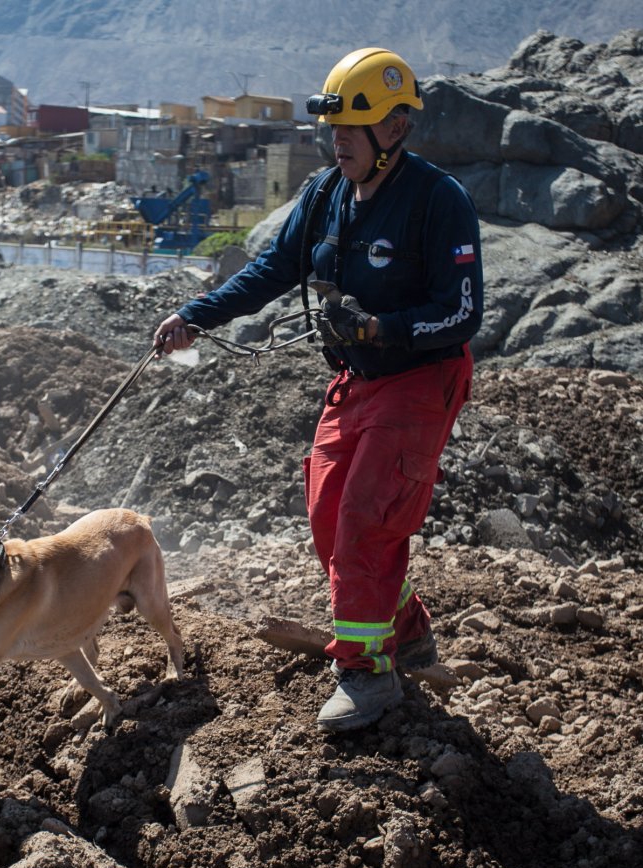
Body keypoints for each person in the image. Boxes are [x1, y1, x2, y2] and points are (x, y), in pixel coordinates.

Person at [154, 47, 483, 733]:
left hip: (419, 379)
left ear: (392, 129)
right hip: (355, 380)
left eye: (350, 129)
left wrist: (379, 326)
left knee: (368, 515)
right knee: (330, 518)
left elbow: (462, 312)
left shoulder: (437, 201)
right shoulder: (327, 194)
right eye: (331, 128)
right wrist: (196, 315)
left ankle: (366, 676)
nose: (337, 142)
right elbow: (275, 267)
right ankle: (408, 629)